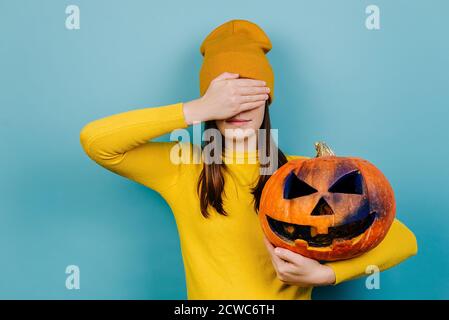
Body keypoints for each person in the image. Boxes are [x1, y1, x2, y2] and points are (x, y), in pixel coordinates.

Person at [80, 19, 417, 299]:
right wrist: (197, 109)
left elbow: (403, 239)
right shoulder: (183, 168)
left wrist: (326, 274)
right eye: (227, 98)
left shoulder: (302, 175)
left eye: (249, 96)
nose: (237, 110)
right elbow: (96, 141)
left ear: (267, 101)